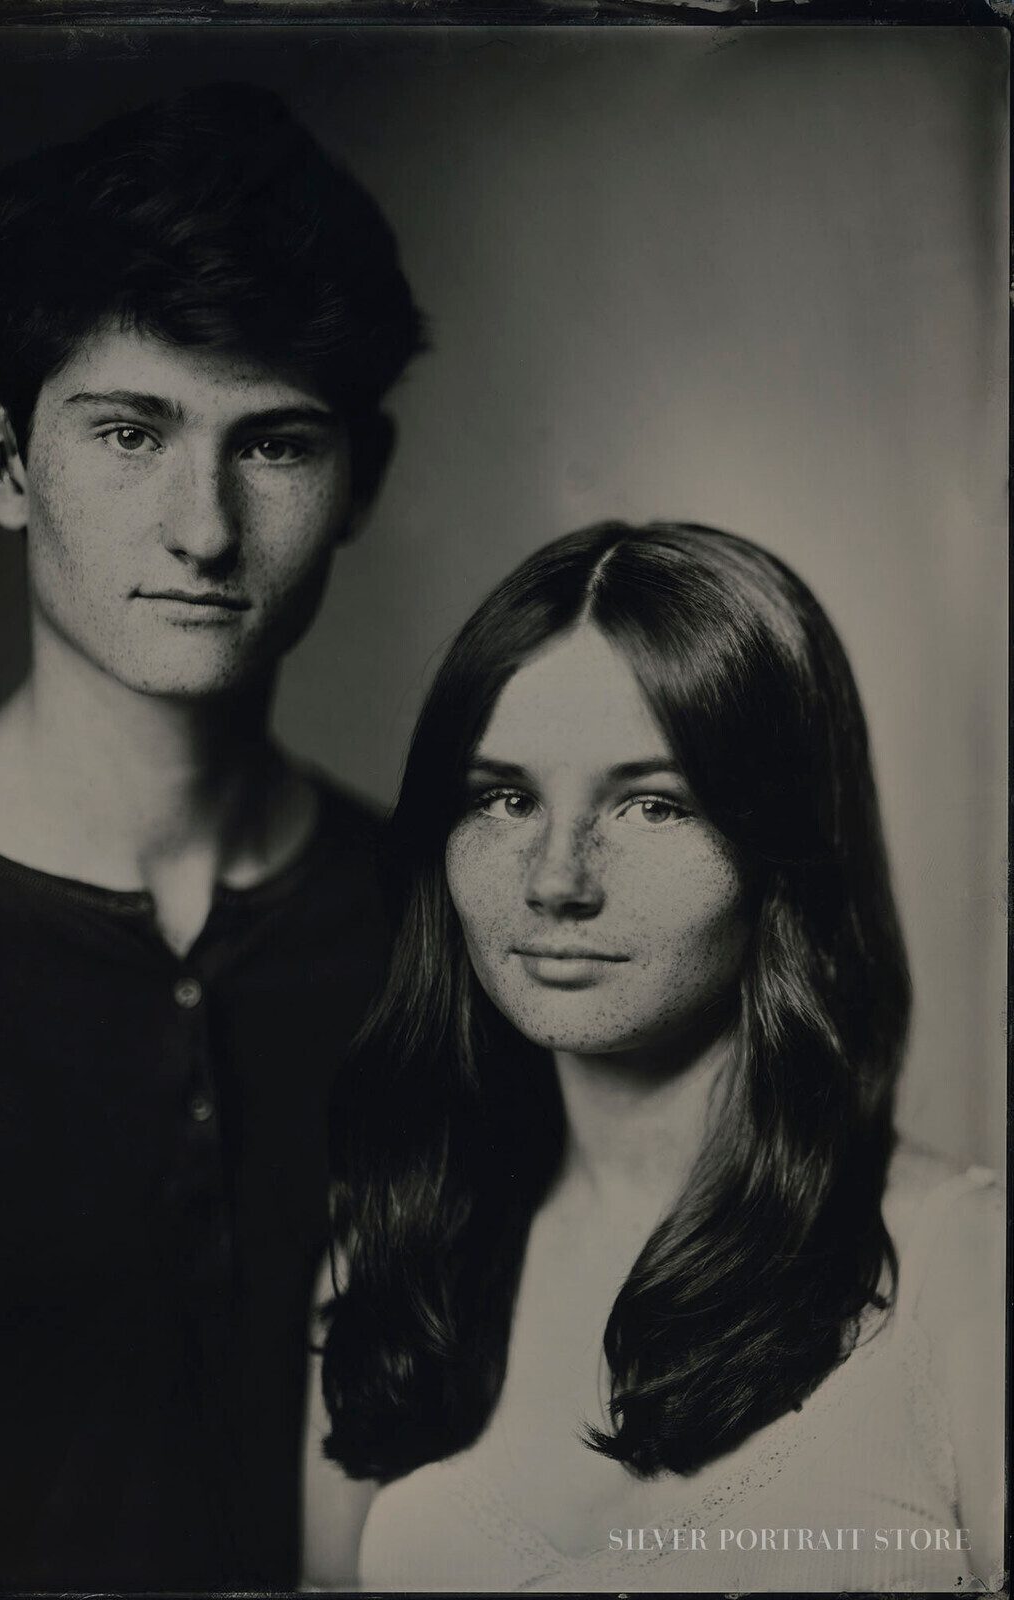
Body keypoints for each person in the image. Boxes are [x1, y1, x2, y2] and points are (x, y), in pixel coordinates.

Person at [0, 84, 423, 1593]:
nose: (200, 528)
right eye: (130, 432)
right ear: (4, 465)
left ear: (358, 482)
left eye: (274, 445)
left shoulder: (439, 931)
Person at [303, 522, 1003, 1593]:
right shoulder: (392, 1252)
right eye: (503, 796)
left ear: (779, 848)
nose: (554, 879)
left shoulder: (964, 1267)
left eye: (650, 803)